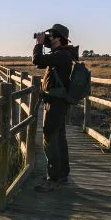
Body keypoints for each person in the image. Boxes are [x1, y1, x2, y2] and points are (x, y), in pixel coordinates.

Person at [32, 23, 80, 192]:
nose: (48, 39)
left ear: (59, 38)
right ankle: (63, 175)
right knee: (59, 138)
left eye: (51, 36)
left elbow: (37, 60)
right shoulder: (63, 54)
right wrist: (44, 43)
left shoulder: (62, 55)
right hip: (57, 102)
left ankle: (53, 179)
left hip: (55, 103)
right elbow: (42, 64)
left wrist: (38, 44)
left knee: (50, 139)